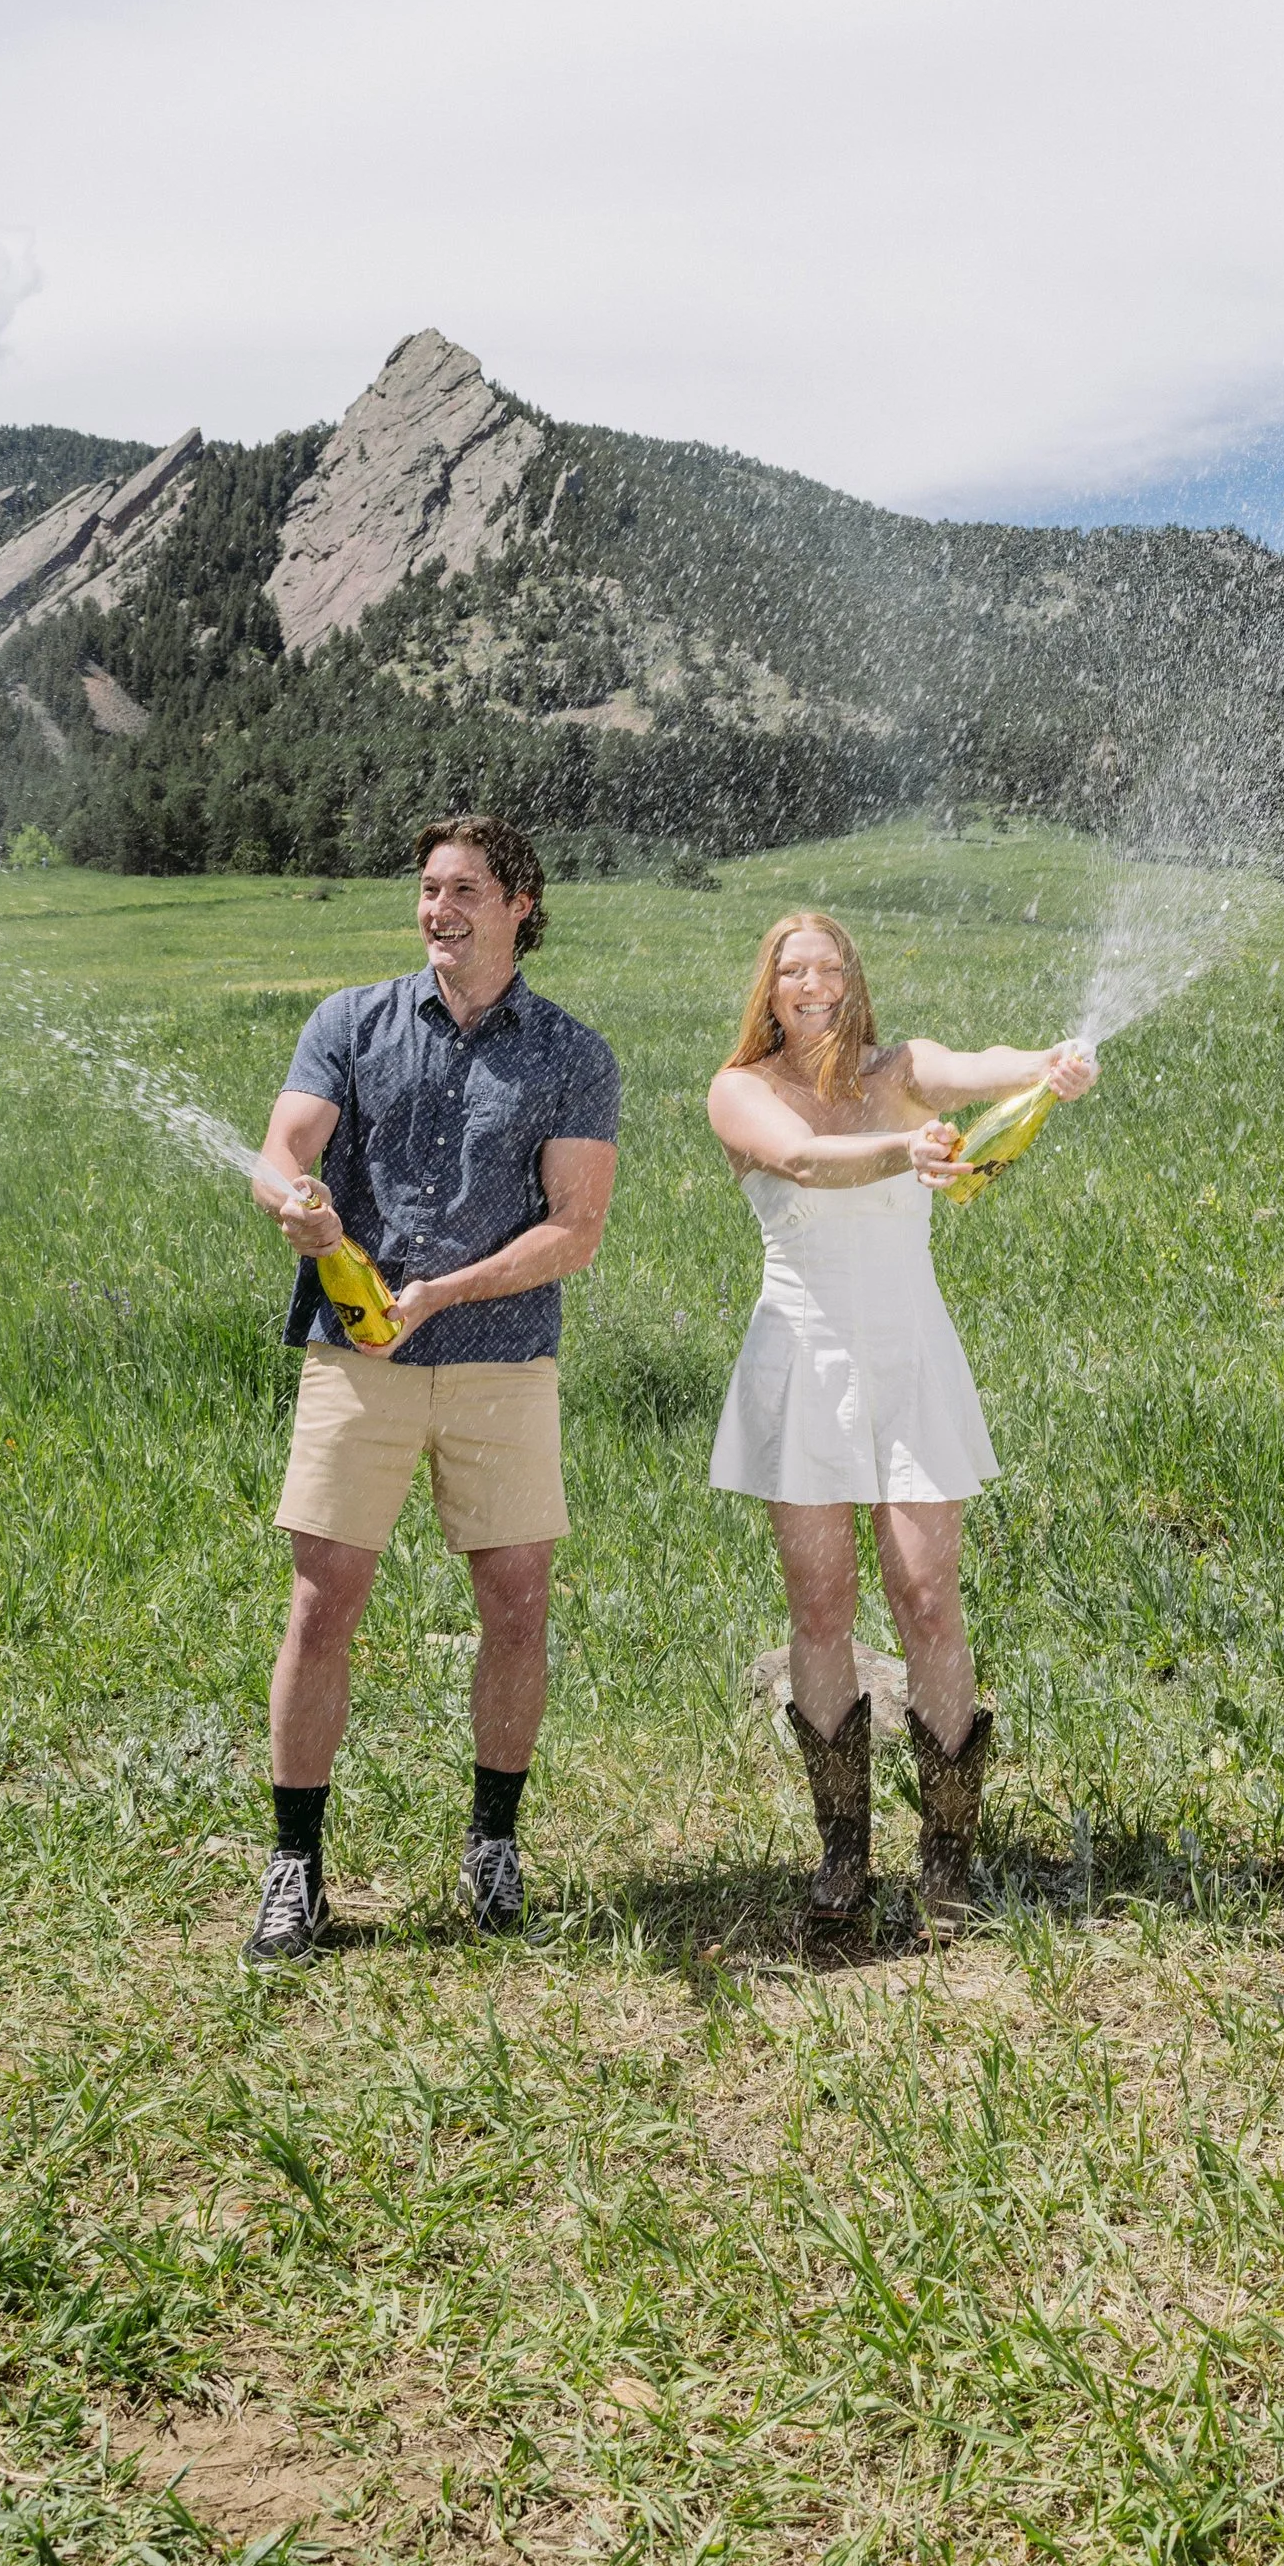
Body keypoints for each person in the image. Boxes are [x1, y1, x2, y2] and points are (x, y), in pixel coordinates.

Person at [241, 814, 620, 1962]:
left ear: (519, 906)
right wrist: (292, 1205)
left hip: (501, 1360)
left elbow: (575, 1231)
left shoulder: (571, 1053)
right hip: (357, 1354)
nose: (436, 909)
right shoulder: (347, 1022)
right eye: (425, 889)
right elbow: (281, 1152)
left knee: (514, 1607)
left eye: (462, 890)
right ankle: (294, 1866)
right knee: (322, 1607)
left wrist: (447, 1293)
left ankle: (493, 1844)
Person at [706, 911, 1094, 1931]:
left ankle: (949, 1856)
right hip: (803, 1359)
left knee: (927, 1597)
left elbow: (980, 1065)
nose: (815, 984)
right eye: (794, 969)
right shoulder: (741, 1088)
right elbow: (796, 1160)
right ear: (769, 986)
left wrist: (1052, 1062)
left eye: (831, 967)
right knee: (822, 1608)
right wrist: (904, 1151)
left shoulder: (905, 1067)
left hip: (910, 1355)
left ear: (853, 978)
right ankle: (843, 1854)